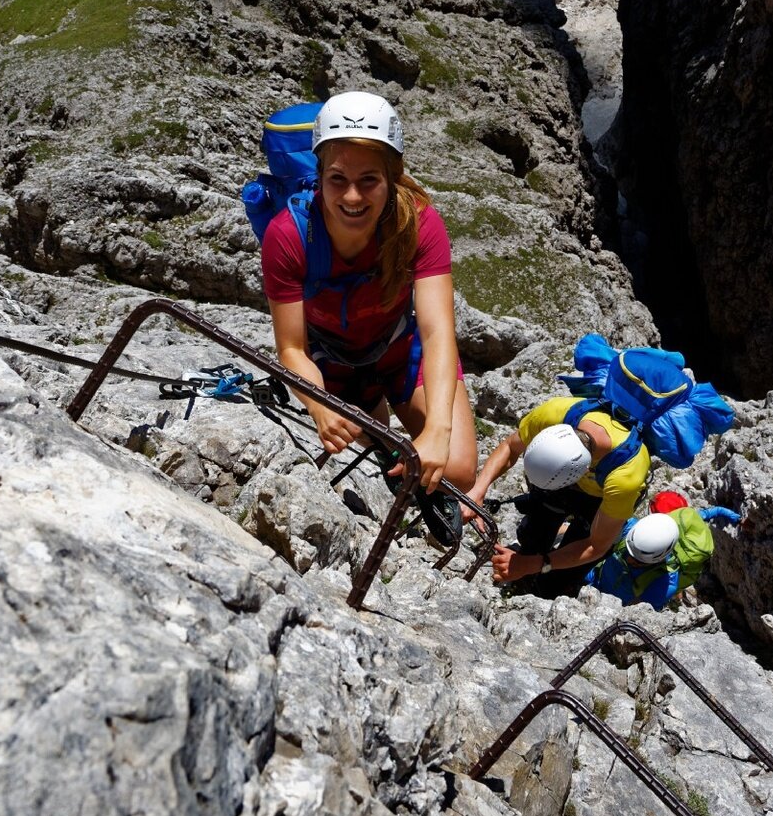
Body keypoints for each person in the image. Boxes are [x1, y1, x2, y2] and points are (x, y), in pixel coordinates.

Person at [261, 90, 477, 515]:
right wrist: (318, 405)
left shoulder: (419, 222)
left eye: (369, 181)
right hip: (331, 362)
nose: (353, 197)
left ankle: (381, 423)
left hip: (398, 349)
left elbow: (436, 333)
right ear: (319, 176)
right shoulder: (288, 236)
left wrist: (437, 429)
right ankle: (376, 421)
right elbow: (291, 348)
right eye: (338, 179)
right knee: (366, 445)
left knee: (458, 470)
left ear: (392, 178)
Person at [463, 393, 653, 597]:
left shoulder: (625, 474)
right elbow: (510, 446)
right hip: (561, 485)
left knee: (557, 581)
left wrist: (534, 565)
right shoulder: (554, 414)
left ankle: (547, 586)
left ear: (586, 470)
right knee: (534, 536)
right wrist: (478, 490)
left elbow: (595, 545)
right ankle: (530, 569)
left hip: (600, 498)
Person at [585, 490, 733, 611]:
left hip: (608, 604)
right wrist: (720, 511)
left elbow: (642, 612)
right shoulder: (640, 530)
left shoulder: (665, 581)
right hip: (596, 584)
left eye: (637, 559)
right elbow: (699, 515)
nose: (630, 558)